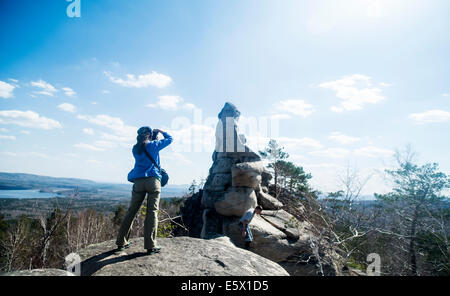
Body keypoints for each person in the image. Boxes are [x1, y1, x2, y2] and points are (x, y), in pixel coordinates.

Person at [116, 126, 173, 254]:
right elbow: (170, 139)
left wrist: (152, 137)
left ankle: (121, 241)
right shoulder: (154, 145)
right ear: (149, 135)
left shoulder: (135, 149)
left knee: (131, 211)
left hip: (138, 182)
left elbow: (144, 146)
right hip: (153, 181)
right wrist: (161, 131)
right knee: (152, 212)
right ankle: (150, 245)